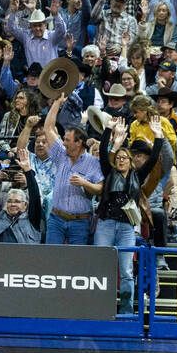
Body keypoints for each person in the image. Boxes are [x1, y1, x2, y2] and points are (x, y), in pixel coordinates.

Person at [94, 116, 163, 314]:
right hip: (106, 224)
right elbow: (102, 153)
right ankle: (101, 308)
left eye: (124, 158)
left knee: (125, 271)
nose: (121, 160)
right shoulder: (109, 172)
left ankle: (125, 310)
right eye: (118, 158)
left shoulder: (137, 176)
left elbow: (153, 159)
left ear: (131, 161)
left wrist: (158, 136)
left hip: (126, 227)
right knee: (102, 267)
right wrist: (108, 129)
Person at [42, 97, 103, 244]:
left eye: (67, 140)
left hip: (80, 222)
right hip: (56, 219)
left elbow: (100, 189)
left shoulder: (93, 162)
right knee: (51, 258)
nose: (63, 143)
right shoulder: (61, 154)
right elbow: (48, 128)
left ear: (79, 142)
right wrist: (57, 103)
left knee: (77, 261)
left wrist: (84, 183)